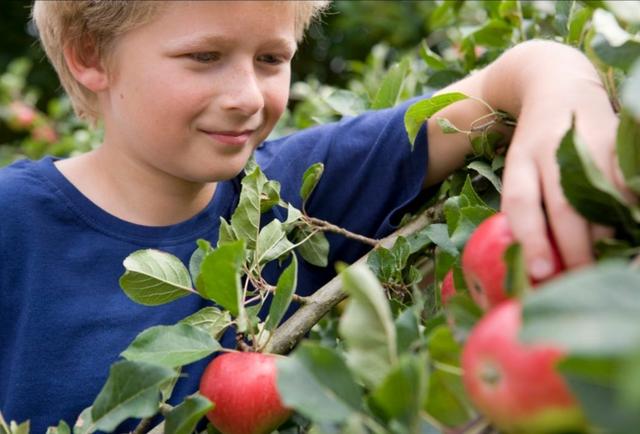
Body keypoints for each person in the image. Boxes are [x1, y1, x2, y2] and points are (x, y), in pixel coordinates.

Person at [0, 1, 624, 432]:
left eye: (271, 58)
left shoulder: (291, 190)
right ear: (90, 56)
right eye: (203, 56)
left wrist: (566, 94)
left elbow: (507, 79)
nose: (247, 95)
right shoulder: (13, 221)